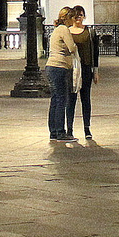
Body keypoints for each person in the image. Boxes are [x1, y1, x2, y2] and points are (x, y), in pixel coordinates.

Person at [46, 8, 80, 141]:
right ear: (67, 18)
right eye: (73, 18)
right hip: (59, 67)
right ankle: (60, 132)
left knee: (55, 100)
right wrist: (75, 47)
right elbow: (71, 48)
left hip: (51, 66)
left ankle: (53, 131)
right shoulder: (64, 29)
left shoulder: (57, 30)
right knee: (61, 100)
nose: (74, 20)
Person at [67, 6, 99, 139]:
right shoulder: (67, 32)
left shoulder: (90, 32)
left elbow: (95, 52)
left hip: (86, 68)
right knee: (71, 100)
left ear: (84, 16)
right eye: (76, 15)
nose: (78, 18)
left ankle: (87, 128)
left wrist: (95, 70)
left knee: (86, 99)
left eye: (80, 15)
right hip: (72, 70)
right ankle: (69, 128)